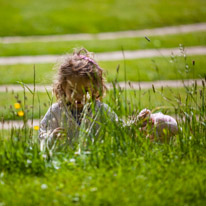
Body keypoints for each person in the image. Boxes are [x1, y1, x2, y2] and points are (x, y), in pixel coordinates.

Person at [39, 48, 178, 151]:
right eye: (72, 91)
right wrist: (52, 138)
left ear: (96, 88)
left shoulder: (100, 110)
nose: (79, 96)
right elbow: (41, 137)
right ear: (63, 87)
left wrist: (136, 123)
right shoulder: (56, 111)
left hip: (95, 161)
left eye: (86, 91)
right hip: (65, 162)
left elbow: (118, 131)